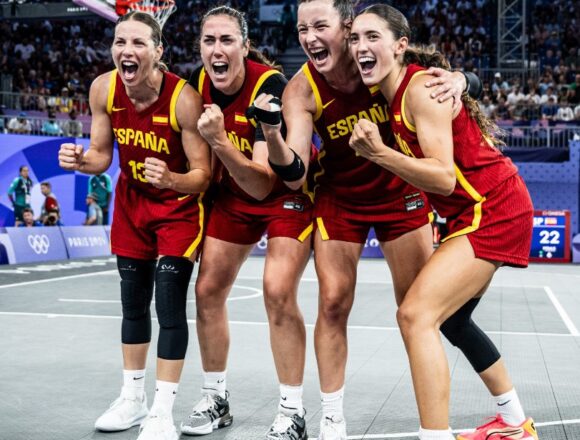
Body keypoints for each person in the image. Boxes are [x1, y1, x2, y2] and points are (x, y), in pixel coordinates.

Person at [252, 1, 484, 438]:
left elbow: (441, 76)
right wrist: (270, 136)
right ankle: (332, 419)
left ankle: (455, 419)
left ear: (345, 27)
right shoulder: (301, 90)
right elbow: (296, 174)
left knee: (420, 313)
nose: (309, 37)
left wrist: (461, 79)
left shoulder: (378, 56)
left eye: (320, 26)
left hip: (401, 193)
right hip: (340, 198)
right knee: (333, 303)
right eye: (302, 29)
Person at [348, 5, 537, 440]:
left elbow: (444, 176)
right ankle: (513, 422)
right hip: (473, 213)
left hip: (492, 208)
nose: (361, 46)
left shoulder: (416, 90)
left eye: (372, 37)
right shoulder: (396, 92)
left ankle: (434, 435)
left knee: (415, 316)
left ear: (399, 46)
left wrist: (378, 154)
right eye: (355, 38)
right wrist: (465, 79)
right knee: (450, 321)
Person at [58, 11, 211, 440]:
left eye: (138, 43)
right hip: (131, 206)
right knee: (132, 305)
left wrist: (171, 179)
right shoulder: (104, 88)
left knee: (168, 305)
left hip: (178, 208)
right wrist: (80, 162)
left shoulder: (183, 99)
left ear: (158, 52)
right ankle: (133, 399)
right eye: (119, 42)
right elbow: (101, 156)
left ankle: (163, 410)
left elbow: (203, 176)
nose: (127, 51)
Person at [179, 6, 313, 440]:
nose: (217, 50)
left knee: (276, 291)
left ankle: (292, 411)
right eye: (209, 41)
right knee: (207, 290)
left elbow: (262, 184)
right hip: (233, 199)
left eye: (227, 40)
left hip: (283, 196)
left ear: (244, 45)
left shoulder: (267, 87)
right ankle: (215, 397)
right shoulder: (195, 86)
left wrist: (218, 140)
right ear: (200, 48)